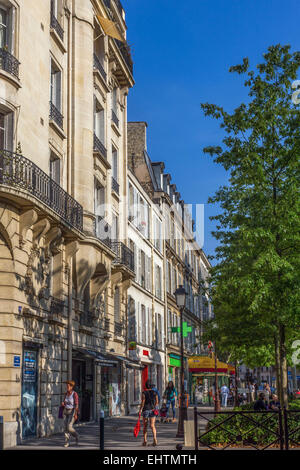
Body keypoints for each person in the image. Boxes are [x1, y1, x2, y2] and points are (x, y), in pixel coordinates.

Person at [139, 380, 159, 446]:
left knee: (145, 426)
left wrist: (140, 410)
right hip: (152, 410)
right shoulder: (154, 392)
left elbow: (143, 402)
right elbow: (157, 402)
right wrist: (154, 407)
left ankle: (145, 441)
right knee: (152, 425)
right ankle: (155, 439)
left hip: (145, 410)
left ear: (146, 385)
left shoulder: (144, 393)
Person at [61, 380, 79, 447]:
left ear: (71, 387)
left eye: (68, 386)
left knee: (69, 427)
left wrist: (76, 414)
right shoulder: (66, 394)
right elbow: (64, 402)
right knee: (65, 428)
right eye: (67, 386)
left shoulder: (74, 394)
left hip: (72, 411)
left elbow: (76, 405)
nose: (67, 387)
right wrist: (63, 403)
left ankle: (76, 435)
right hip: (65, 411)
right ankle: (66, 442)